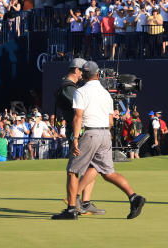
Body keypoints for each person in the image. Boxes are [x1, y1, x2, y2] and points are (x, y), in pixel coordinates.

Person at [52, 61, 146, 220]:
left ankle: (71, 210)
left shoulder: (80, 92)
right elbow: (110, 121)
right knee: (108, 173)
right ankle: (134, 197)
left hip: (89, 133)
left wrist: (75, 138)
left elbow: (78, 117)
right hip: (104, 134)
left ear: (85, 74)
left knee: (73, 171)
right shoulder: (105, 93)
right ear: (97, 74)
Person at [53, 58, 99, 214]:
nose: (84, 75)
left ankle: (84, 202)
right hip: (77, 131)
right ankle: (75, 201)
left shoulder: (73, 88)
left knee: (91, 166)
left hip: (81, 130)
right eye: (83, 71)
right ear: (77, 70)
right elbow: (81, 109)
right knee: (78, 168)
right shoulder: (68, 88)